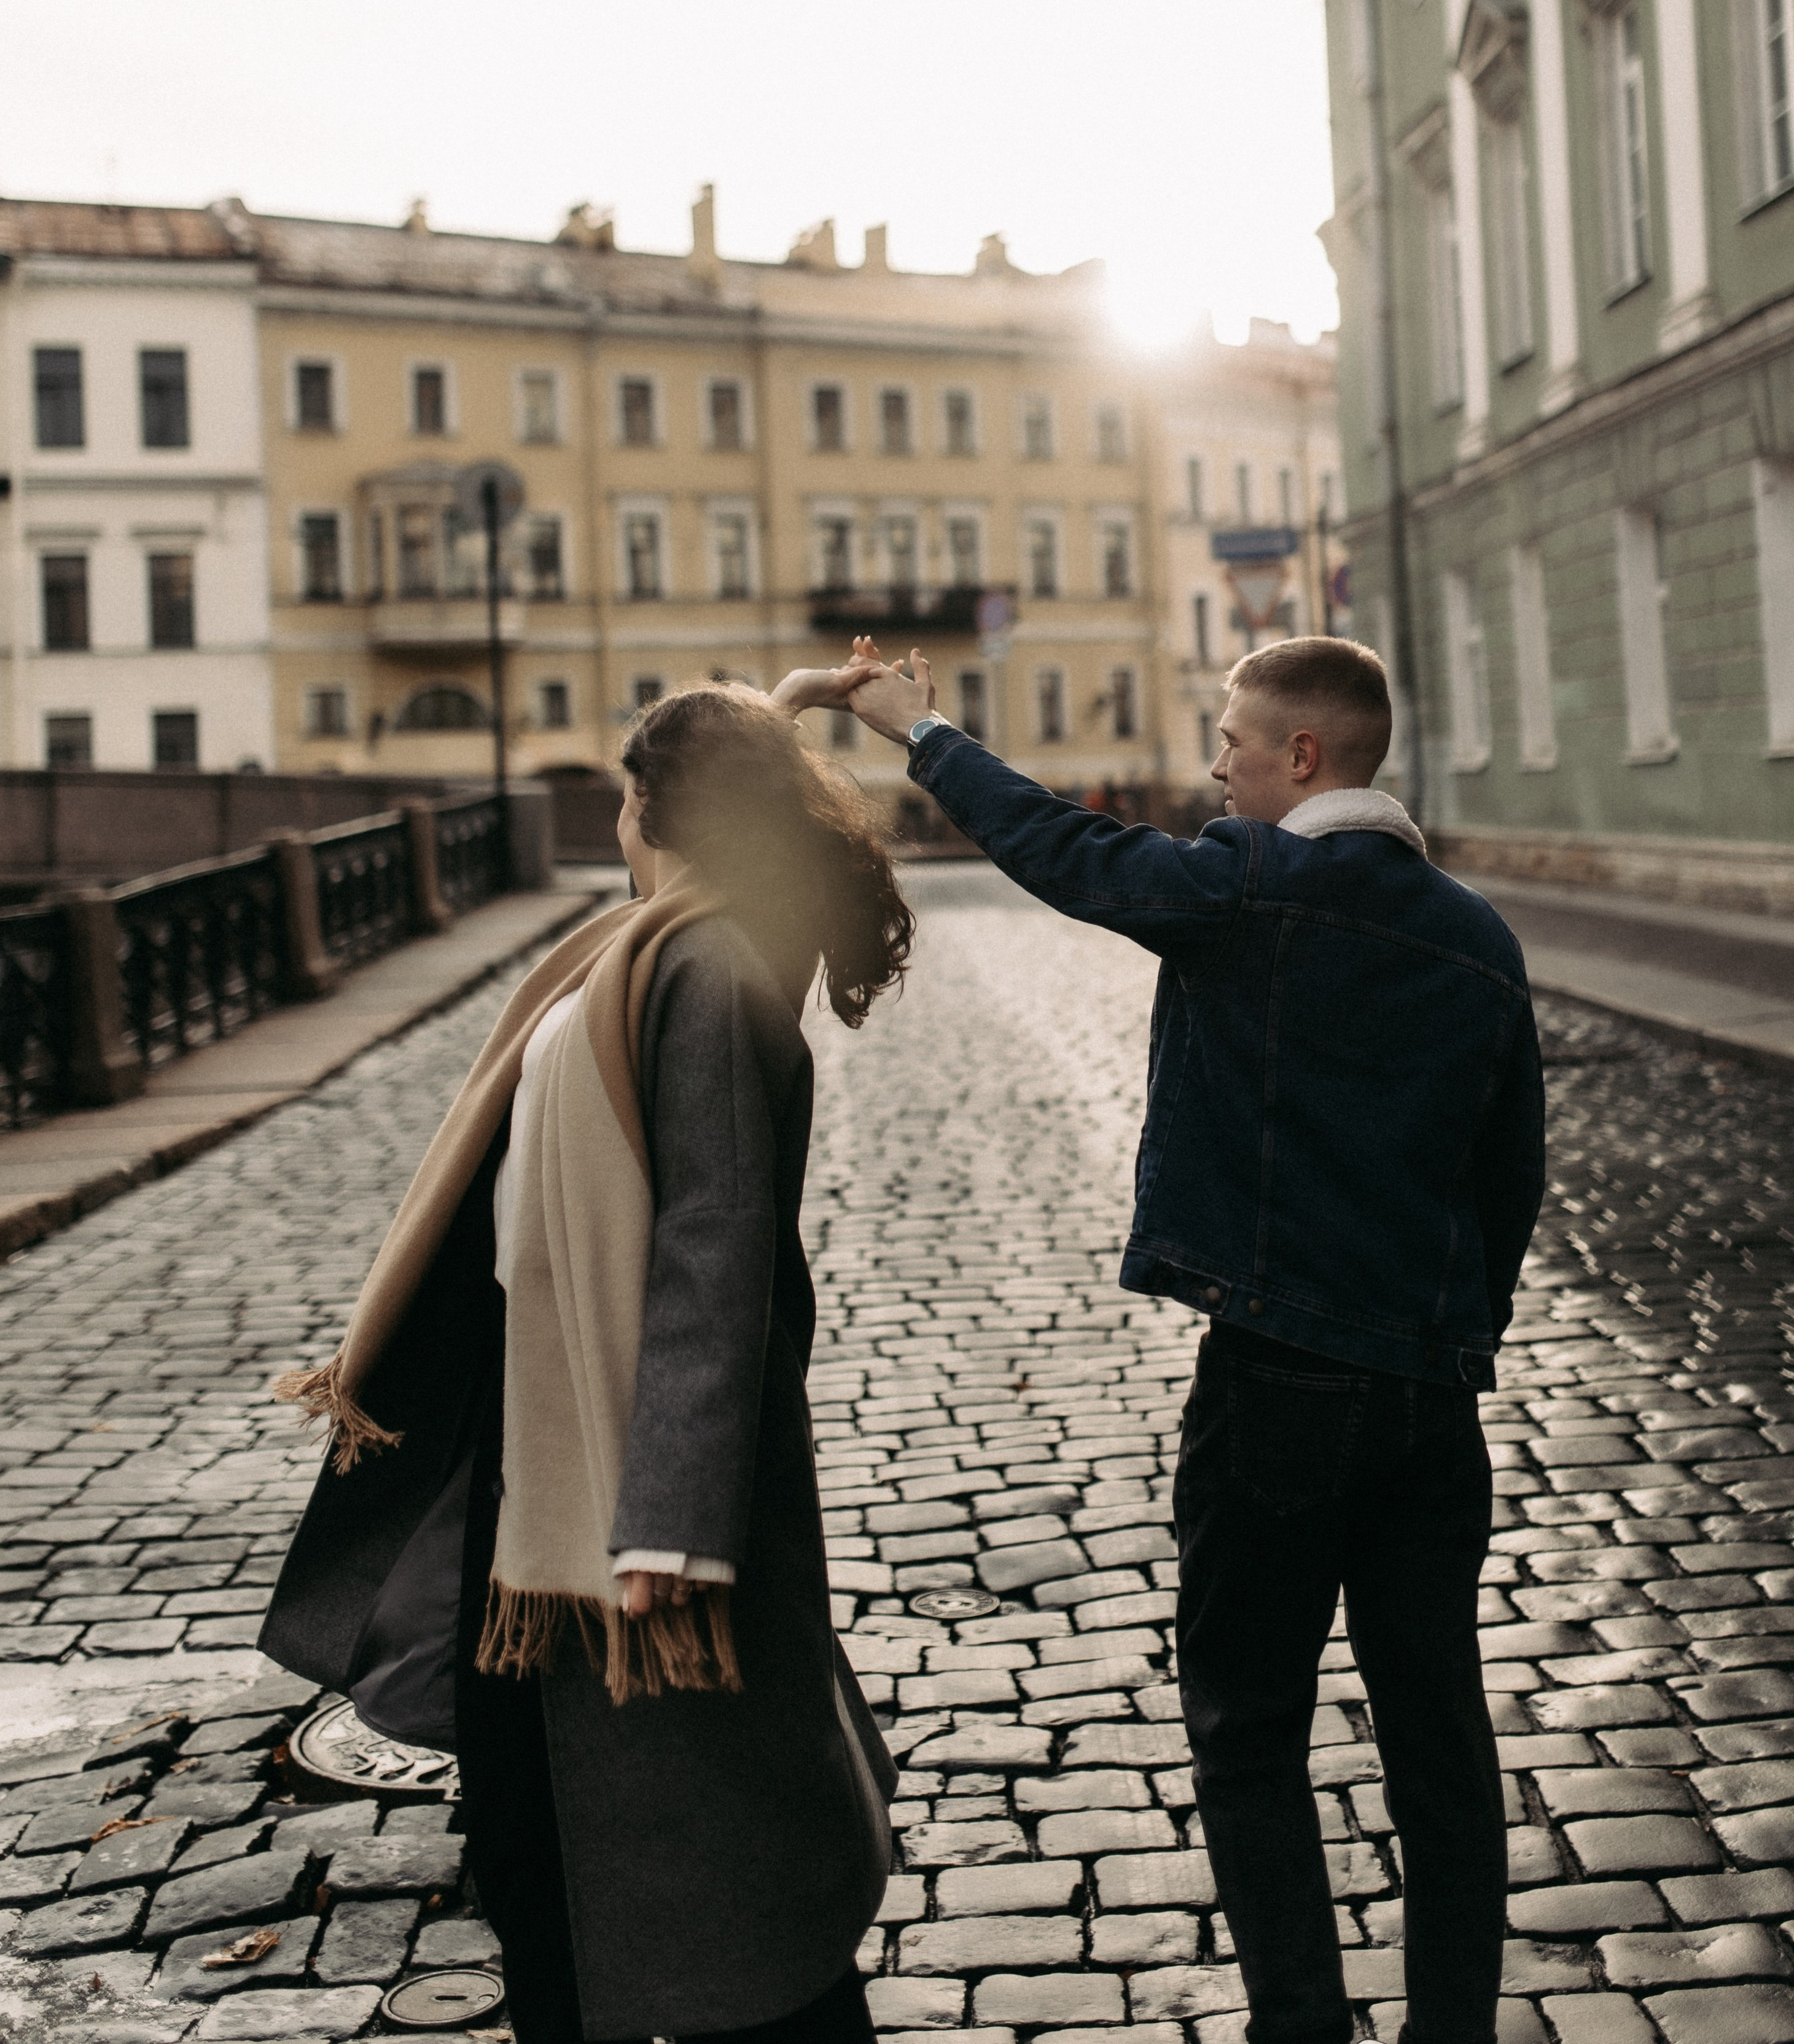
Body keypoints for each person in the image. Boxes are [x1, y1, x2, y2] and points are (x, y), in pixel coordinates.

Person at [847, 631, 1545, 2044]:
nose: (1209, 765)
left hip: (1273, 1387)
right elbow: (1507, 1178)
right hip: (1425, 1402)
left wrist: (923, 737)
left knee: (1244, 1727)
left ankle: (1298, 2024)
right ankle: (1451, 2033)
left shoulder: (1246, 883)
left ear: (1302, 757)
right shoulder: (1478, 941)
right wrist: (1440, 1326)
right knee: (1436, 1734)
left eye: (1230, 740)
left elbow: (1064, 849)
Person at [262, 671, 911, 2044]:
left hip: (636, 1487)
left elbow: (713, 1250)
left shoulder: (712, 967)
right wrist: (780, 713)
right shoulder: (680, 942)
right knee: (530, 1829)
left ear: (647, 809)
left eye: (627, 792)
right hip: (549, 1457)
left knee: (732, 1861)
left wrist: (668, 1517)